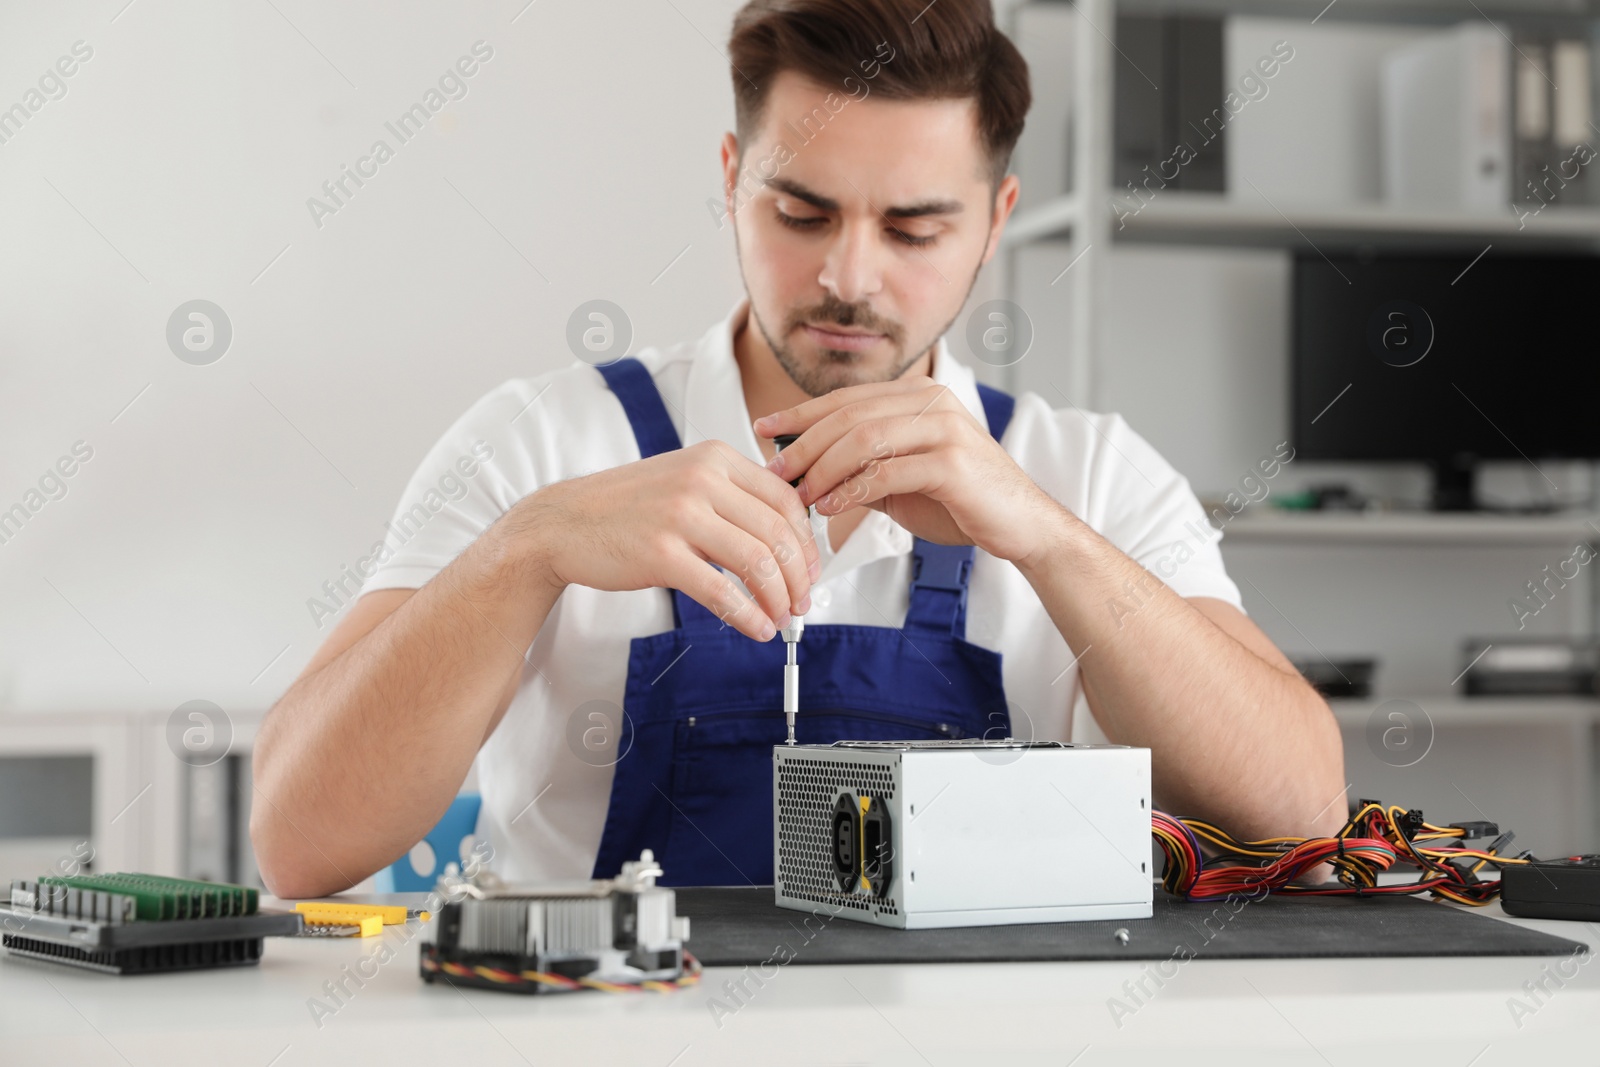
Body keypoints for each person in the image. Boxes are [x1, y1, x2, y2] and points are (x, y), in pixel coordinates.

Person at [252, 0, 1344, 898]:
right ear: (731, 177)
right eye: (801, 212)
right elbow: (300, 841)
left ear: (996, 218)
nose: (850, 278)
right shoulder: (538, 442)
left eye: (914, 228)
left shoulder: (1091, 475)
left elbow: (1300, 811)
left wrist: (1047, 540)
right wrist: (526, 549)